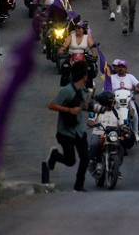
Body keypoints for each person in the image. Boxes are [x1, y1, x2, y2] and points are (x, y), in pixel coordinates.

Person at [46, 61, 91, 192]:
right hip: (66, 131)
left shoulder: (82, 90)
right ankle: (55, 155)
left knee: (85, 158)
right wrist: (68, 110)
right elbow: (52, 105)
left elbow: (85, 105)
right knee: (70, 161)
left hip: (79, 130)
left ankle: (79, 185)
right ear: (84, 76)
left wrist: (100, 108)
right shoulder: (67, 90)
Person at [109, 60, 139, 136]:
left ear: (126, 69)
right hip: (115, 100)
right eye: (119, 67)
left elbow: (138, 84)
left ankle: (135, 132)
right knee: (109, 113)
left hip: (128, 100)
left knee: (134, 113)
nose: (121, 69)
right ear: (117, 68)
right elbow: (106, 88)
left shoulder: (130, 77)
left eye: (123, 67)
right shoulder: (112, 77)